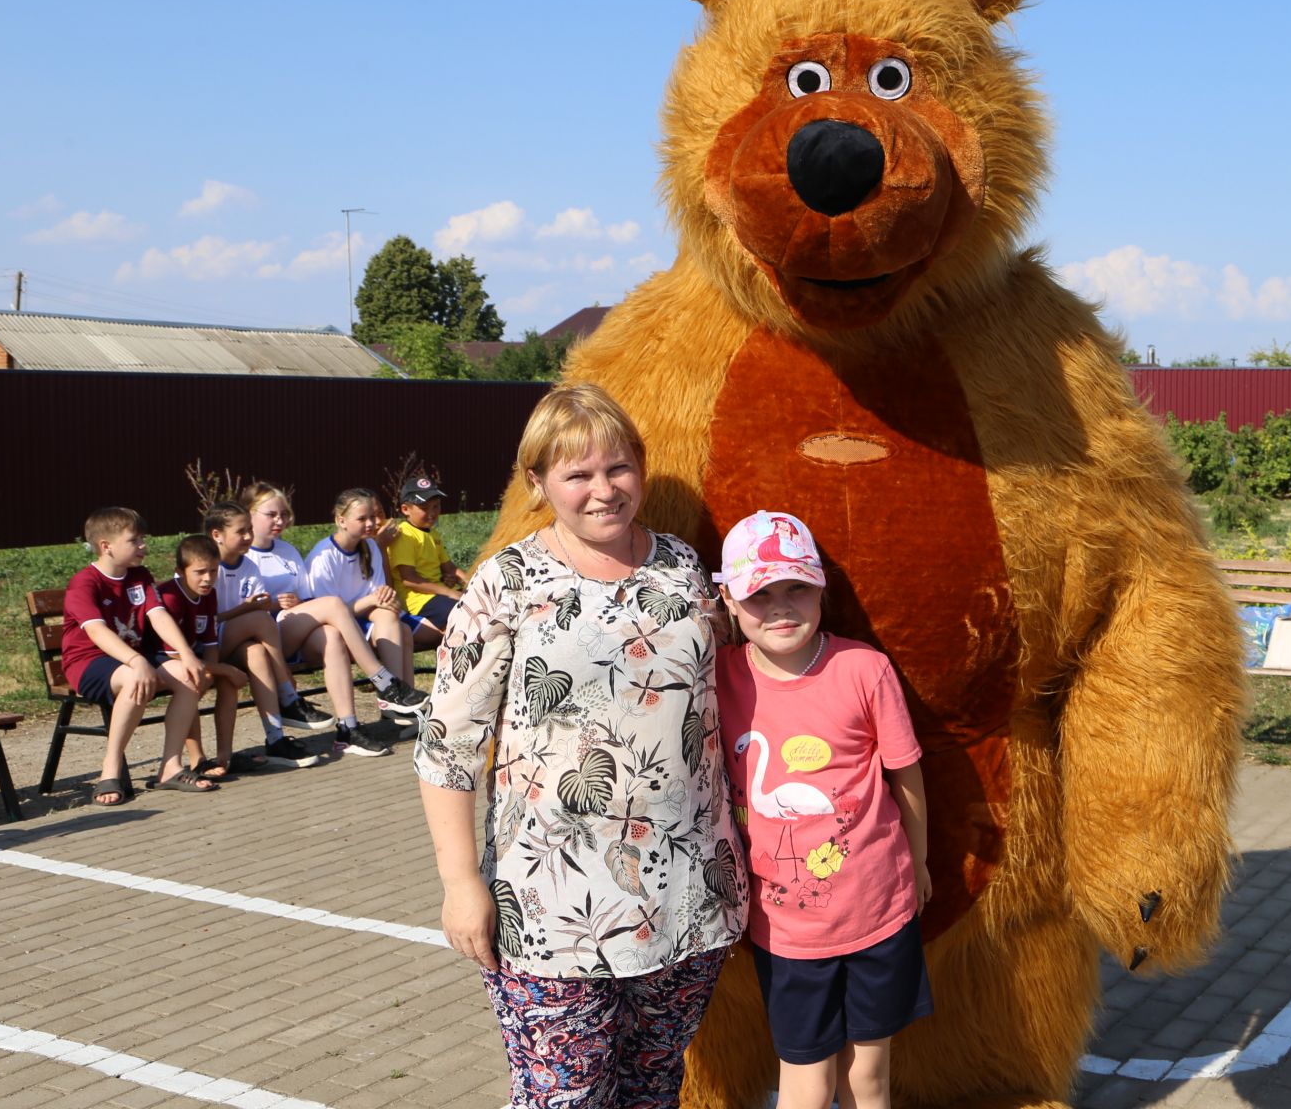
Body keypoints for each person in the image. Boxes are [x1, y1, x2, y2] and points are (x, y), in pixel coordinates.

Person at [416, 384, 747, 1109]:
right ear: (538, 483)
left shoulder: (681, 566)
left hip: (688, 896)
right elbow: (447, 749)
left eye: (619, 468)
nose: (604, 491)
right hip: (550, 908)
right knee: (562, 1095)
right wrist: (460, 883)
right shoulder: (507, 582)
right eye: (578, 475)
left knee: (653, 1088)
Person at [713, 510, 932, 1109]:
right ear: (729, 601)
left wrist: (919, 860)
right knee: (804, 1083)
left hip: (877, 912)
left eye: (796, 589)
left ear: (820, 590)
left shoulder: (863, 668)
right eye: (760, 594)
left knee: (867, 1078)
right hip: (787, 933)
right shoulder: (718, 678)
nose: (780, 608)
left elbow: (904, 773)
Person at [237, 481, 424, 757]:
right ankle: (384, 681)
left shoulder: (287, 551)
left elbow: (305, 600)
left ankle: (348, 729)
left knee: (333, 636)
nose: (280, 521)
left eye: (284, 515)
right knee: (335, 605)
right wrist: (276, 603)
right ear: (249, 514)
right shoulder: (246, 555)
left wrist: (295, 602)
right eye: (271, 515)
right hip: (268, 635)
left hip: (295, 626)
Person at [60, 507, 218, 804]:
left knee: (188, 675)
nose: (144, 546)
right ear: (106, 546)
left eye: (143, 539)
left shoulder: (139, 576)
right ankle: (110, 771)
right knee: (135, 678)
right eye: (135, 540)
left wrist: (186, 654)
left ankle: (170, 767)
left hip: (131, 659)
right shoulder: (85, 582)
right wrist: (136, 660)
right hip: (88, 663)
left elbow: (158, 615)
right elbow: (96, 632)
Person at [206, 503, 327, 767]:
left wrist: (265, 605)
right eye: (241, 532)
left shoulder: (248, 565)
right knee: (258, 619)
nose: (249, 537)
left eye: (250, 530)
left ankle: (275, 739)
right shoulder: (205, 567)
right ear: (217, 535)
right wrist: (246, 610)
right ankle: (288, 694)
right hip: (207, 646)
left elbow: (258, 606)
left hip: (237, 642)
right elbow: (200, 622)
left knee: (257, 652)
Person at [157, 534, 267, 780]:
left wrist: (217, 669)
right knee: (194, 680)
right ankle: (198, 759)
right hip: (162, 661)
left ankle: (224, 756)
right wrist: (223, 669)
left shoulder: (209, 595)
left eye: (214, 571)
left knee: (225, 681)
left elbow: (210, 642)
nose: (208, 579)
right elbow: (172, 652)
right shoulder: (170, 598)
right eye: (199, 572)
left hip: (191, 658)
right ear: (179, 570)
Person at [304, 487, 419, 700]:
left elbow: (378, 596)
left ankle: (399, 698)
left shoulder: (370, 547)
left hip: (362, 619)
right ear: (341, 521)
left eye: (373, 517)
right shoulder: (323, 557)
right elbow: (328, 615)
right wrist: (373, 599)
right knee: (394, 623)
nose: (370, 523)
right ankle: (398, 696)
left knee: (396, 623)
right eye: (362, 519)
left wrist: (384, 597)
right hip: (330, 631)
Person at [386, 475, 468, 648]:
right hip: (418, 599)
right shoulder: (405, 535)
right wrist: (449, 592)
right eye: (424, 508)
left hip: (437, 593)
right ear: (405, 509)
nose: (432, 513)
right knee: (463, 617)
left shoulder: (432, 534)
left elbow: (450, 567)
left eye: (436, 506)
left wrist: (473, 583)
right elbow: (409, 579)